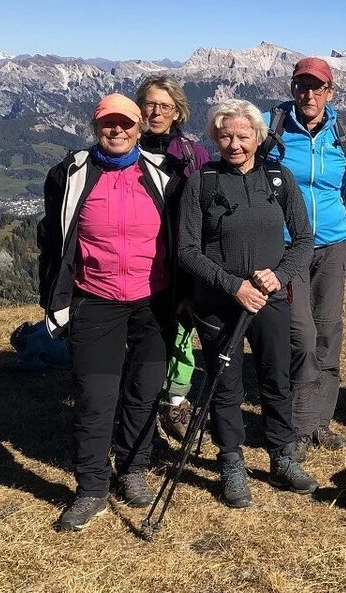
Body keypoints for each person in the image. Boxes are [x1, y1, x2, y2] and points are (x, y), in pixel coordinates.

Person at [38, 93, 181, 531]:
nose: (117, 131)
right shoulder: (71, 173)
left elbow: (182, 238)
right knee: (94, 398)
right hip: (94, 298)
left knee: (142, 393)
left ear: (140, 127)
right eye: (108, 124)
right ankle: (92, 489)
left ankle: (133, 469)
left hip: (153, 300)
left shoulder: (165, 176)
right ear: (96, 126)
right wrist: (55, 299)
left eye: (126, 123)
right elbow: (52, 239)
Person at [177, 99, 318, 507]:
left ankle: (282, 456)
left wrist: (281, 275)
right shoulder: (201, 182)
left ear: (257, 137)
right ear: (214, 138)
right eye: (225, 136)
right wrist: (231, 284)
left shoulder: (279, 179)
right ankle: (231, 462)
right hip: (219, 301)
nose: (234, 144)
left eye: (242, 136)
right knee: (225, 383)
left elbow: (304, 239)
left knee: (276, 377)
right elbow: (186, 249)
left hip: (270, 299)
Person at [267, 57, 346, 457]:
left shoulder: (344, 134)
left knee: (329, 331)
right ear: (292, 89)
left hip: (333, 244)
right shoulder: (272, 130)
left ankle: (320, 420)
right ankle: (300, 425)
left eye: (317, 87)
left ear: (329, 92)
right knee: (301, 335)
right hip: (289, 247)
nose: (309, 94)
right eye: (302, 86)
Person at [134, 75, 211, 442]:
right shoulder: (126, 147)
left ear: (178, 111)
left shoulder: (193, 154)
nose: (156, 112)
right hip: (140, 259)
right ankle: (141, 405)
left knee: (182, 330)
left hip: (181, 258)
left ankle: (176, 401)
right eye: (150, 104)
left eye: (165, 106)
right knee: (144, 334)